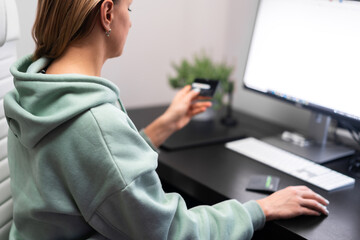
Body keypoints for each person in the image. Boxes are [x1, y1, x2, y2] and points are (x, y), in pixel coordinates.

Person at [4, 0, 329, 239]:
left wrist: (166, 125)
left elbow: (91, 168)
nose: (130, 21)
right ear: (106, 14)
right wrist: (261, 209)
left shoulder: (39, 88)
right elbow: (170, 232)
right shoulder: (94, 121)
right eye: (129, 9)